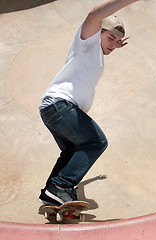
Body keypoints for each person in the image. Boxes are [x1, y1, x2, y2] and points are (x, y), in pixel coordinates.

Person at [39, 0, 140, 205]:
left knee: (73, 150)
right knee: (96, 142)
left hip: (54, 109)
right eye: (110, 38)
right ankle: (61, 187)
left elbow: (106, 41)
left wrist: (113, 41)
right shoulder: (86, 42)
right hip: (61, 106)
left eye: (117, 41)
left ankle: (51, 192)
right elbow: (95, 15)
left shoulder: (95, 53)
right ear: (98, 33)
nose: (113, 44)